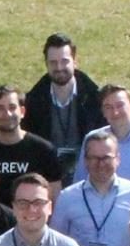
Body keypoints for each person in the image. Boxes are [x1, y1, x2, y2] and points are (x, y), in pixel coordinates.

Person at [53, 134, 130, 246]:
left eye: (106, 158)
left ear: (118, 159)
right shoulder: (67, 197)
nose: (101, 164)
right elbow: (57, 242)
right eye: (94, 158)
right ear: (85, 161)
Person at [23, 34, 103, 177]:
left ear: (75, 61)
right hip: (47, 176)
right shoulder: (32, 102)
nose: (59, 67)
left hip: (89, 175)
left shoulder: (96, 100)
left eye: (64, 61)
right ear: (46, 64)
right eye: (53, 62)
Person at [0, 84, 63, 208]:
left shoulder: (44, 151)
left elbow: (55, 198)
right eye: (0, 108)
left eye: (12, 107)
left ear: (22, 112)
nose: (7, 113)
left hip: (32, 217)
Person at [72, 84, 130, 194]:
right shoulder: (93, 139)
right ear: (103, 112)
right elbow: (80, 182)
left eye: (120, 105)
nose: (115, 112)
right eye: (108, 107)